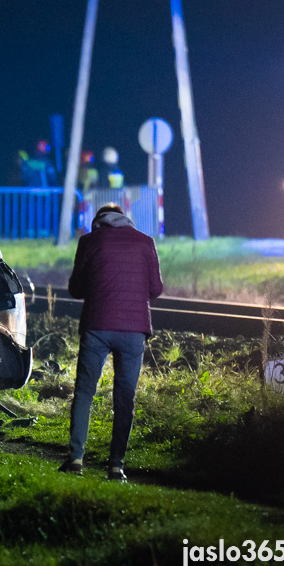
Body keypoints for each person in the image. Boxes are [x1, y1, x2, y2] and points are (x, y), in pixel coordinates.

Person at [59, 203, 163, 481]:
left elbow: (75, 289)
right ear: (124, 219)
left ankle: (76, 458)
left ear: (98, 222)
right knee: (125, 398)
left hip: (97, 326)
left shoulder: (89, 242)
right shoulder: (145, 242)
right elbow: (155, 290)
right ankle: (116, 465)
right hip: (134, 330)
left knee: (84, 392)